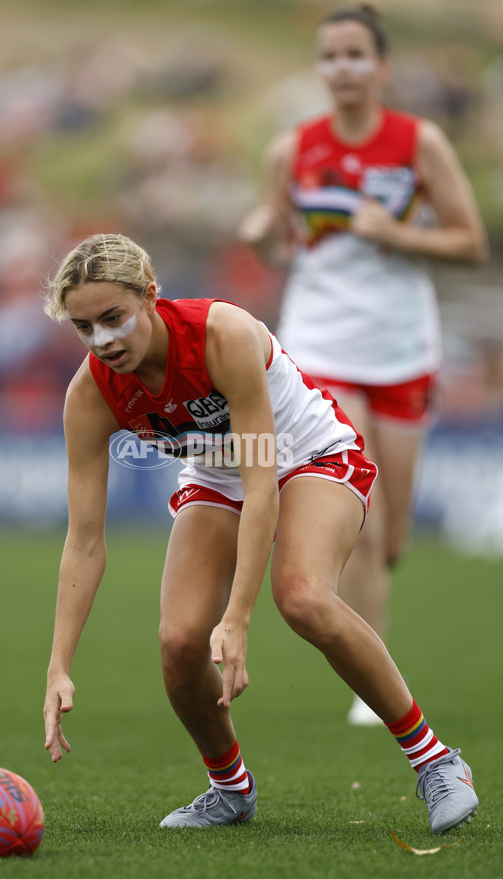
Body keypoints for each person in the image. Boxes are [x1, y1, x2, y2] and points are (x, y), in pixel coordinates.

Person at [42, 232, 478, 834]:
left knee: (302, 597)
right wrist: (59, 664)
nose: (103, 341)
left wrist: (239, 616)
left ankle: (437, 761)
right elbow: (84, 540)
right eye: (84, 327)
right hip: (218, 475)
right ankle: (230, 789)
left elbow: (262, 474)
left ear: (150, 296)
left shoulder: (223, 335)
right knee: (179, 643)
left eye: (113, 318)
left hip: (308, 455)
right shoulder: (90, 395)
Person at [238, 4, 488, 726]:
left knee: (394, 536)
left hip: (404, 349)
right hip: (320, 346)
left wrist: (402, 234)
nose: (341, 68)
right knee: (366, 520)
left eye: (355, 55)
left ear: (381, 67)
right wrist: (261, 238)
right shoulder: (292, 150)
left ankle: (371, 623)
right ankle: (370, 691)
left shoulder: (420, 142)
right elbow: (284, 245)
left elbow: (470, 241)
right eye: (330, 56)